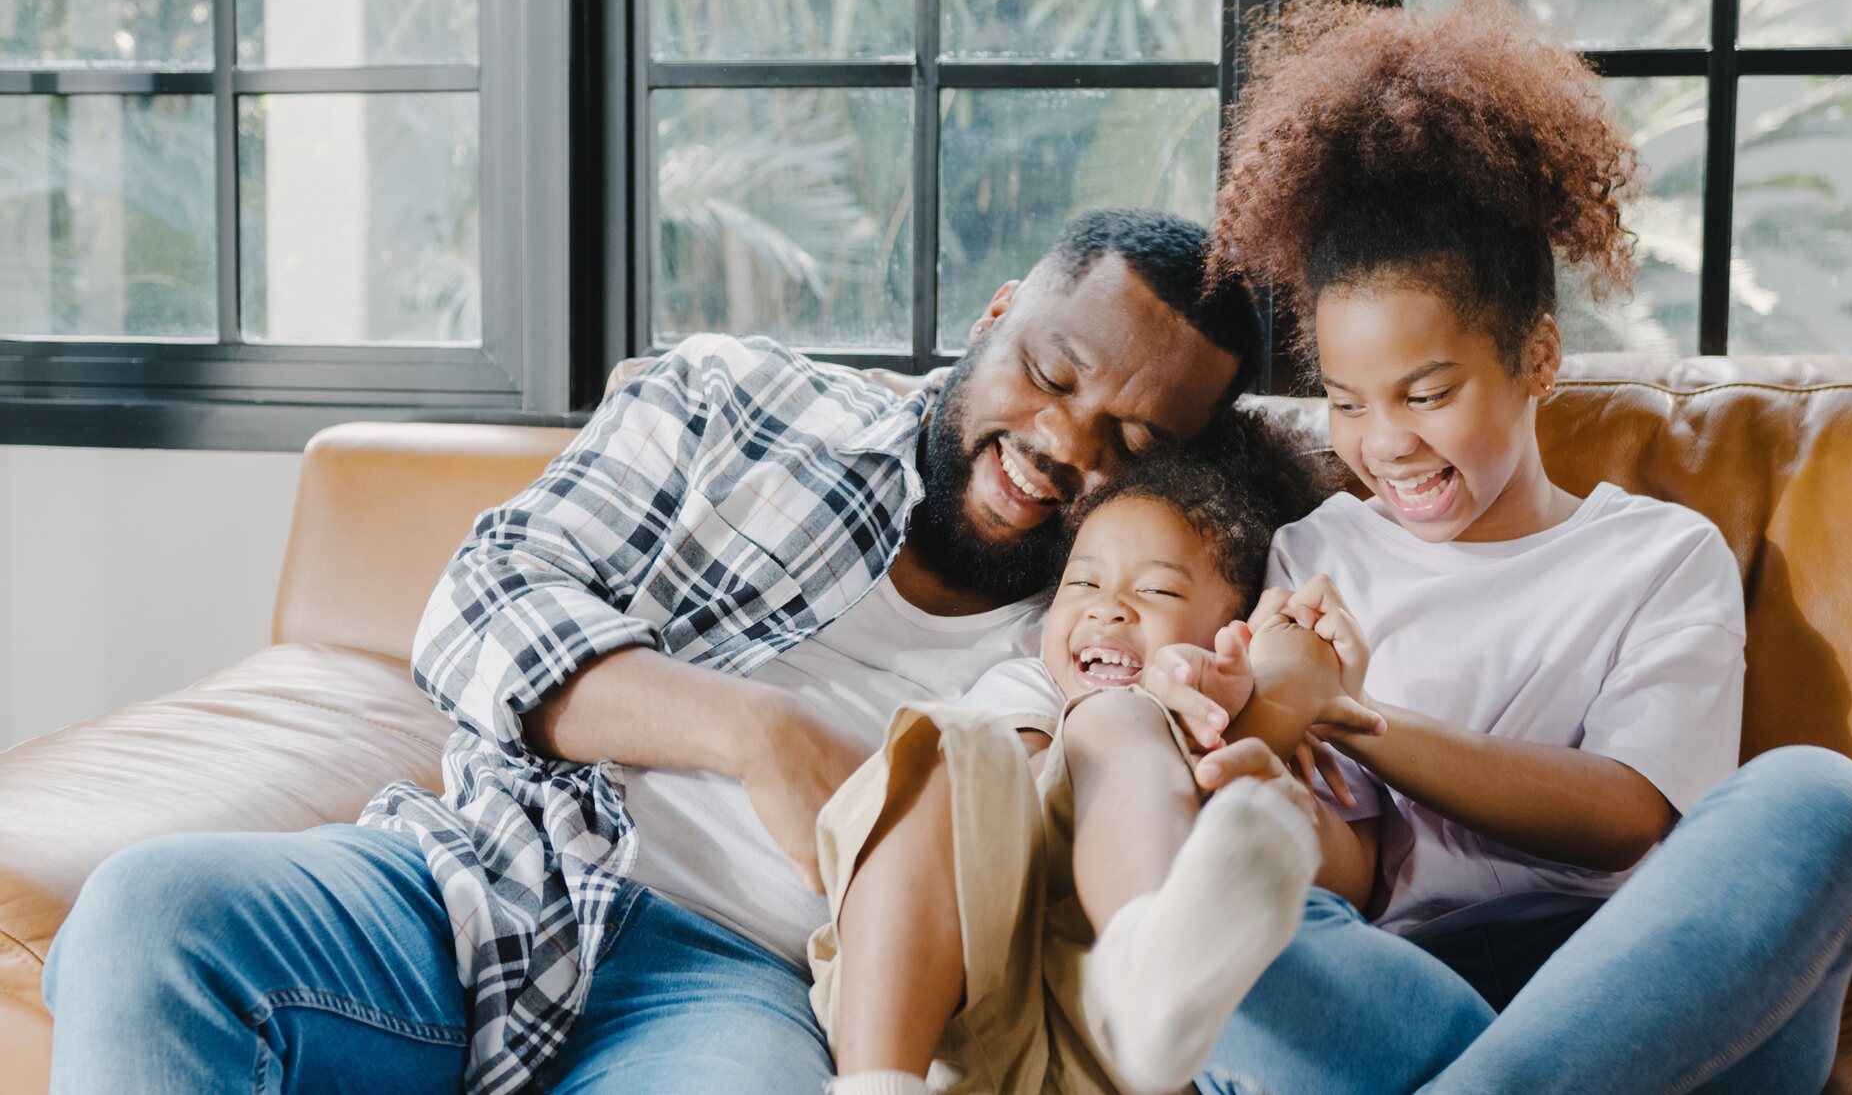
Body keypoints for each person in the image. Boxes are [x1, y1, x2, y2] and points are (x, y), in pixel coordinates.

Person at [40, 209, 1267, 1095]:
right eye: (1047, 373)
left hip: (740, 983)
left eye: (1127, 438)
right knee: (149, 912)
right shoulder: (735, 400)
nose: (1056, 441)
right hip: (483, 876)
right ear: (995, 315)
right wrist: (755, 733)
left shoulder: (1101, 624)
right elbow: (482, 603)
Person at [1135, 0, 1852, 1093]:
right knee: (1204, 899)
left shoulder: (1657, 557)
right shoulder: (1319, 550)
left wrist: (1350, 711)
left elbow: (1620, 816)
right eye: (1346, 403)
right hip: (1398, 991)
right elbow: (1348, 872)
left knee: (1823, 802)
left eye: (1427, 391)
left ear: (1535, 357)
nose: (1382, 442)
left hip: (1646, 990)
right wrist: (1253, 756)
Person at [814, 414, 1367, 1095]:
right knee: (941, 751)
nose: (1107, 611)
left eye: (1157, 590)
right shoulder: (1030, 685)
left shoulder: (1250, 733)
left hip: (1114, 1052)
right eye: (1082, 584)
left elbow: (1351, 880)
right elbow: (1008, 804)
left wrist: (1255, 729)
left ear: (1235, 628)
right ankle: (877, 1084)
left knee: (1128, 729)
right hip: (959, 1005)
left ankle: (1158, 968)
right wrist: (1150, 723)